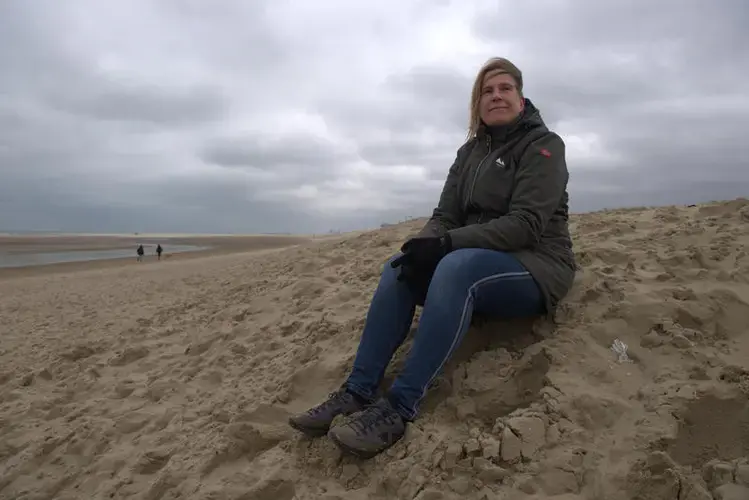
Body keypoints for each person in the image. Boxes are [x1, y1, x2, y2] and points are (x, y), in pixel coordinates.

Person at [288, 57, 576, 458]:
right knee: (399, 268)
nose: (496, 96)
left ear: (521, 98)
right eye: (487, 91)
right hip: (476, 257)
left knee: (456, 267)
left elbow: (525, 225)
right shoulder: (468, 152)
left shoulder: (544, 146)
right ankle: (357, 390)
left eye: (505, 88)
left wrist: (447, 246)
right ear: (477, 104)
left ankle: (400, 406)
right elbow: (445, 217)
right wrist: (424, 245)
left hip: (536, 264)